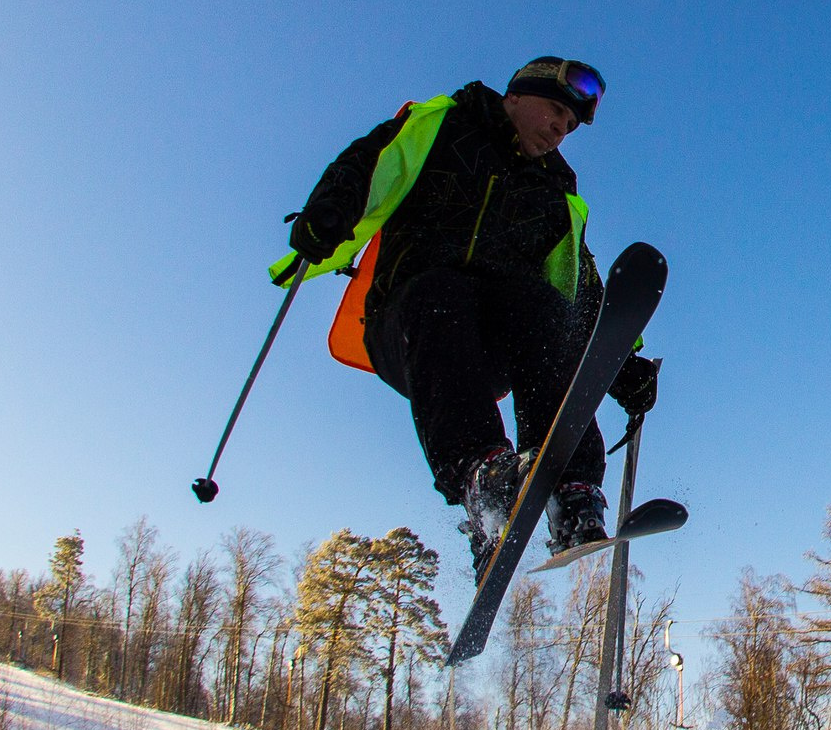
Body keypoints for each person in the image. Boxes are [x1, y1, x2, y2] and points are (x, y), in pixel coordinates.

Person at [277, 57, 659, 575]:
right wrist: (330, 210)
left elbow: (577, 286)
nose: (558, 131)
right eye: (554, 112)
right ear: (518, 94)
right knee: (443, 288)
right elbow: (367, 163)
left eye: (570, 127)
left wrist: (621, 362)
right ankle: (483, 479)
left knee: (540, 303)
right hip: (411, 327)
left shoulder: (554, 191)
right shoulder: (445, 124)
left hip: (494, 348)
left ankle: (571, 490)